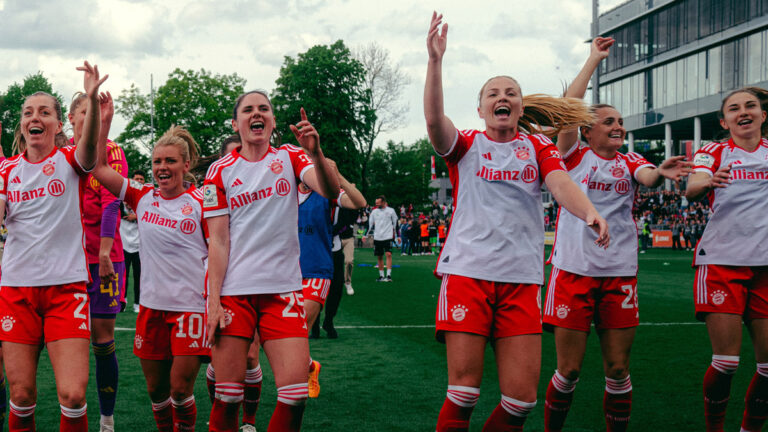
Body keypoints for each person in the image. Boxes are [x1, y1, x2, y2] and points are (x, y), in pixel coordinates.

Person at [425, 13, 609, 432]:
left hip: (522, 280)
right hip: (468, 274)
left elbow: (561, 183)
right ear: (481, 107)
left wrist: (588, 211)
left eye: (510, 92)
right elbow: (436, 125)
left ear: (521, 107)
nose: (502, 97)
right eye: (493, 93)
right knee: (464, 392)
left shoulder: (537, 146)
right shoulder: (467, 144)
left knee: (522, 400)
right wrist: (435, 62)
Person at [542, 37, 691, 432]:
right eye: (609, 121)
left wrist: (660, 172)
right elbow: (568, 113)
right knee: (569, 370)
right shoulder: (573, 155)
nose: (619, 126)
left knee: (618, 367)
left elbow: (646, 176)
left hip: (619, 273)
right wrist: (594, 59)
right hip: (573, 271)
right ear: (588, 130)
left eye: (620, 121)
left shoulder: (631, 160)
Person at [204, 91, 339, 432]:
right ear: (236, 124)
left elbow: (330, 190)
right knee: (229, 396)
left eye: (263, 108)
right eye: (248, 110)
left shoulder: (292, 157)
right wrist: (213, 301)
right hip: (236, 293)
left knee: (295, 395)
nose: (256, 114)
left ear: (273, 121)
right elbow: (218, 241)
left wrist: (316, 152)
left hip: (283, 291)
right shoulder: (219, 171)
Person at [0, 61, 106, 432]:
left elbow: (90, 148)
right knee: (23, 394)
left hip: (66, 289)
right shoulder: (7, 171)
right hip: (16, 290)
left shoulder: (68, 161)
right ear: (22, 125)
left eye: (45, 112)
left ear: (58, 126)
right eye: (29, 112)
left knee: (74, 395)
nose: (36, 117)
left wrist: (90, 103)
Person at [89, 111, 210, 431]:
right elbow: (99, 169)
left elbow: (222, 252)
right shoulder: (141, 196)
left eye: (170, 161)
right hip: (152, 310)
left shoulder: (202, 203)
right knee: (157, 393)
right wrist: (104, 124)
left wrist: (219, 303)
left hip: (190, 310)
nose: (162, 168)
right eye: (157, 161)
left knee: (180, 390)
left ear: (186, 165)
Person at [685, 87, 768, 432]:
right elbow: (693, 186)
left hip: (764, 268)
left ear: (763, 115)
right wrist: (706, 181)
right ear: (725, 121)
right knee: (727, 362)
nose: (743, 112)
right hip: (720, 264)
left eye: (750, 106)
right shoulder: (713, 152)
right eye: (734, 109)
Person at [69, 90, 129, 432]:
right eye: (83, 111)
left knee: (102, 340)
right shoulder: (62, 154)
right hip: (67, 261)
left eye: (94, 111)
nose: (89, 117)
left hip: (105, 259)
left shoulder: (112, 151)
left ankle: (106, 418)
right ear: (73, 119)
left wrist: (105, 252)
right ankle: (74, 408)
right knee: (70, 339)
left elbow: (111, 202)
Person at [121, 170, 144, 313]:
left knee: (138, 276)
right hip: (124, 243)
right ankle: (122, 301)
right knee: (122, 276)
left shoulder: (146, 199)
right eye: (137, 179)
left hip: (139, 245)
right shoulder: (123, 196)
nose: (139, 181)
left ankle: (137, 302)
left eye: (142, 179)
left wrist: (135, 216)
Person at [368, 195, 398, 281]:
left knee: (388, 254)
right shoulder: (374, 212)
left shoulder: (391, 211)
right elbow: (369, 224)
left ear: (384, 202)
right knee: (379, 256)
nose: (376, 205)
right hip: (377, 237)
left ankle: (388, 275)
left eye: (378, 203)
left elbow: (396, 224)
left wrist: (398, 236)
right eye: (375, 203)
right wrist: (365, 235)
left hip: (388, 236)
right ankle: (381, 276)